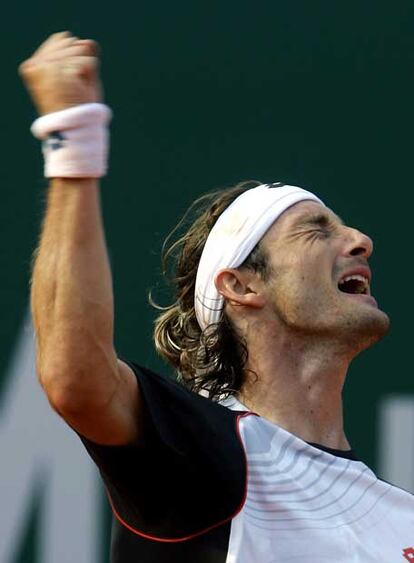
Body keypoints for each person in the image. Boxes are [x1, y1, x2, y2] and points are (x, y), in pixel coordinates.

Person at [20, 32, 414, 563]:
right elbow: (75, 379)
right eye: (316, 230)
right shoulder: (206, 455)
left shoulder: (401, 519)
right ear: (242, 285)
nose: (360, 240)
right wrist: (73, 138)